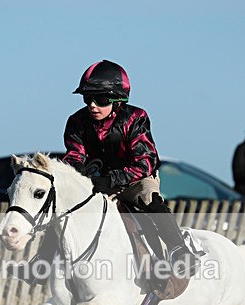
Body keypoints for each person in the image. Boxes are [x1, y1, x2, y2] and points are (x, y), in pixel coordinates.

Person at [61, 59, 200, 279]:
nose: (92, 105)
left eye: (101, 99)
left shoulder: (136, 117)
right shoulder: (76, 122)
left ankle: (178, 250)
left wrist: (113, 178)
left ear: (118, 101)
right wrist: (86, 175)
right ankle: (43, 259)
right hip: (98, 181)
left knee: (149, 199)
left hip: (136, 180)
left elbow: (145, 162)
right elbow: (73, 156)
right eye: (88, 98)